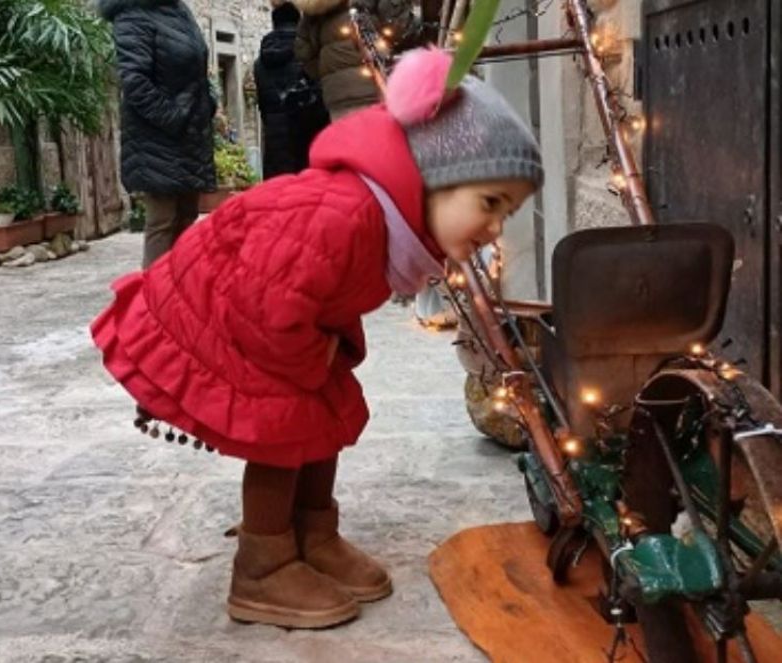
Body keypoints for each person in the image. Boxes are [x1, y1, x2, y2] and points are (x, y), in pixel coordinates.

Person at [91, 49, 543, 628]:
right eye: (489, 203)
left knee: (325, 410)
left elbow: (323, 293)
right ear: (434, 178)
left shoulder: (383, 227)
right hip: (224, 310)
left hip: (267, 314)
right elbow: (270, 298)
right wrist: (313, 360)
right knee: (284, 425)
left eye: (506, 211)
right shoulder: (346, 214)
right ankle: (262, 564)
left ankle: (312, 531)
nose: (496, 227)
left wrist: (332, 351)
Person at [100, 0, 216, 268]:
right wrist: (173, 117)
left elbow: (196, 68)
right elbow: (134, 82)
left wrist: (207, 103)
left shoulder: (179, 11)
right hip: (156, 139)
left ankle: (182, 295)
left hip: (189, 137)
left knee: (186, 218)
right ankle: (152, 302)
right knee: (162, 222)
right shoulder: (132, 15)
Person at [295, 0, 422, 120]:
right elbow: (402, 29)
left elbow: (304, 52)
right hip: (380, 88)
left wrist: (329, 76)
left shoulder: (315, 7)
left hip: (337, 97)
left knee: (351, 141)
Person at [254, 1, 330, 178]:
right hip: (306, 137)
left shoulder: (261, 63)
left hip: (274, 139)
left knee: (279, 193)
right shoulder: (307, 55)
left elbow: (263, 104)